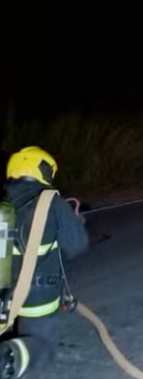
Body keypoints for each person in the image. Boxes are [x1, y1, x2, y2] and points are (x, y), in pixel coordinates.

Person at [0, 146, 89, 378]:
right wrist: (75, 223)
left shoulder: (4, 207)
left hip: (6, 295)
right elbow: (77, 246)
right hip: (38, 297)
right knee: (41, 349)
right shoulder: (51, 202)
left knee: (23, 336)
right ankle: (6, 358)